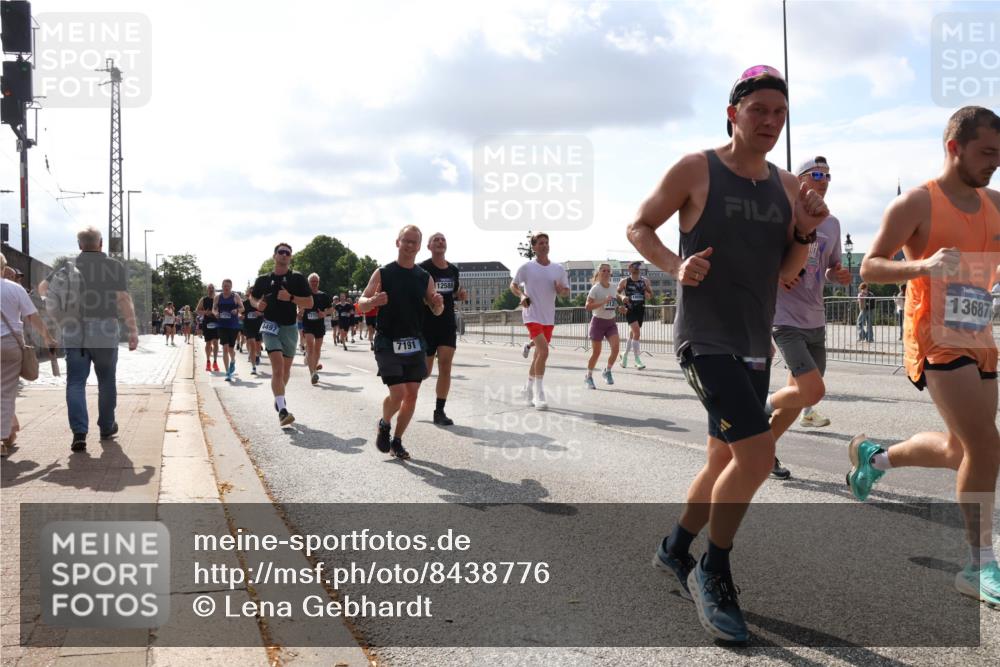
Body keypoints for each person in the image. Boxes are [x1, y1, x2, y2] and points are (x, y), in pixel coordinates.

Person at [628, 65, 828, 643]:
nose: (770, 121)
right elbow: (639, 226)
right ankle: (712, 572)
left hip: (752, 340)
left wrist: (806, 233)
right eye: (759, 109)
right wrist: (676, 266)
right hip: (704, 338)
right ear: (732, 113)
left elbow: (788, 274)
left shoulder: (789, 188)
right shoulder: (698, 168)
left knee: (723, 461)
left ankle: (675, 548)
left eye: (780, 114)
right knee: (758, 456)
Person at [847, 106, 1000, 607]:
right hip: (935, 338)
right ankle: (979, 564)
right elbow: (869, 268)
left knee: (962, 451)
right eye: (987, 152)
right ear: (954, 147)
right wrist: (925, 265)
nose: (995, 163)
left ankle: (878, 458)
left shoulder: (996, 203)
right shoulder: (917, 204)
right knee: (986, 445)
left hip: (979, 337)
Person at [764, 156, 852, 479]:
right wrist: (776, 274)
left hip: (815, 320)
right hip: (785, 318)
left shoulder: (831, 223)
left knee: (800, 397)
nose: (824, 180)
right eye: (817, 174)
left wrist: (837, 275)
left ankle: (763, 450)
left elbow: (828, 268)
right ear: (800, 180)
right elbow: (764, 257)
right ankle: (760, 410)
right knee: (812, 390)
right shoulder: (784, 216)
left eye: (828, 175)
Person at [40, 226, 141, 452]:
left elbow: (43, 288)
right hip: (105, 328)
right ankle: (106, 427)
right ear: (101, 243)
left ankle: (79, 433)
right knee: (106, 380)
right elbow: (123, 299)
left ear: (79, 245)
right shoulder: (113, 266)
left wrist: (60, 306)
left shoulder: (67, 267)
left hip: (74, 328)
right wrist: (132, 330)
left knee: (75, 382)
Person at [359, 225, 444, 460]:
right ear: (397, 242)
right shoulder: (383, 273)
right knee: (397, 392)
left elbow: (437, 310)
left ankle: (397, 441)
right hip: (387, 339)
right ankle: (384, 424)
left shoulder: (424, 277)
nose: (409, 245)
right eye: (405, 241)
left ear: (419, 246)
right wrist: (373, 300)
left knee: (412, 394)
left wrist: (438, 303)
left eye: (414, 242)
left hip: (415, 340)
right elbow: (362, 302)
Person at [249, 242, 313, 426]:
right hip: (270, 326)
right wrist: (257, 305)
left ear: (290, 257)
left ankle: (278, 397)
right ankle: (283, 411)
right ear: (274, 256)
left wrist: (291, 298)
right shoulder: (263, 279)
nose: (284, 255)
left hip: (290, 327)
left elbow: (309, 303)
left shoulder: (297, 278)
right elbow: (252, 298)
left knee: (285, 371)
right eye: (281, 252)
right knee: (277, 368)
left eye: (287, 253)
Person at [1, 253, 56, 457]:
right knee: (6, 392)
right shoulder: (15, 289)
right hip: (9, 343)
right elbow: (32, 316)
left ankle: (7, 431)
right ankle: (2, 438)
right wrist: (48, 337)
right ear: (4, 267)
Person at [510, 233, 570, 411]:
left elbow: (566, 292)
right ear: (534, 247)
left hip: (548, 317)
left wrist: (561, 290)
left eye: (546, 243)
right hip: (531, 314)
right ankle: (538, 395)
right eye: (541, 243)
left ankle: (527, 389)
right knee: (543, 351)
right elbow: (513, 284)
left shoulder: (558, 269)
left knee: (537, 356)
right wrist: (522, 295)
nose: (544, 245)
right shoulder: (527, 268)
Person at [420, 232, 468, 426]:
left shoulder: (453, 270)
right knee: (425, 371)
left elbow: (454, 293)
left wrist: (460, 295)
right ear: (429, 246)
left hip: (447, 323)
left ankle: (439, 411)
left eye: (443, 240)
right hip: (427, 324)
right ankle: (406, 393)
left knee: (446, 367)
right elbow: (418, 294)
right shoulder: (422, 269)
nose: (440, 242)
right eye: (436, 240)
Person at [584, 263, 622, 388]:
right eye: (603, 271)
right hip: (598, 322)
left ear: (610, 274)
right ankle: (588, 376)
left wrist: (620, 308)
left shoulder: (613, 287)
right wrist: (603, 302)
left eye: (608, 271)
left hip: (611, 323)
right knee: (596, 353)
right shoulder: (595, 288)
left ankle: (607, 371)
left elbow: (614, 303)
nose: (606, 273)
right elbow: (587, 306)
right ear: (599, 273)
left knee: (616, 349)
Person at [618, 260, 653, 369]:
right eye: (634, 266)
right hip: (630, 310)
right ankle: (637, 360)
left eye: (638, 266)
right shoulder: (625, 281)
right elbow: (617, 292)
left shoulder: (645, 281)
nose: (637, 267)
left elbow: (650, 294)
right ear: (629, 269)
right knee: (637, 332)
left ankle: (624, 355)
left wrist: (648, 295)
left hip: (640, 309)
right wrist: (623, 297)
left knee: (633, 334)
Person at [302, 273, 334, 385]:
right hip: (308, 324)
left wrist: (324, 313)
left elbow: (331, 309)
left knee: (317, 348)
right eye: (312, 281)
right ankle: (313, 373)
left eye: (316, 281)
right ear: (308, 283)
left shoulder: (323, 295)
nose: (314, 283)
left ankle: (313, 366)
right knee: (310, 345)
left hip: (319, 325)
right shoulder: (305, 295)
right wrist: (299, 312)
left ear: (318, 282)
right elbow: (299, 307)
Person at [213, 279, 244, 382]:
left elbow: (242, 308)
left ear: (231, 287)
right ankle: (227, 373)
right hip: (222, 325)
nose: (226, 288)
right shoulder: (218, 297)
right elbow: (214, 308)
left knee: (231, 349)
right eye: (225, 286)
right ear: (222, 286)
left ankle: (233, 361)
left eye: (228, 286)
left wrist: (237, 310)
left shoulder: (235, 296)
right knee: (225, 348)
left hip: (233, 326)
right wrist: (215, 313)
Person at [197, 284, 220, 371]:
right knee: (208, 343)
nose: (211, 290)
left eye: (212, 288)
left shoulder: (218, 299)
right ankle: (208, 362)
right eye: (209, 288)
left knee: (216, 343)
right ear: (207, 290)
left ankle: (215, 362)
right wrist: (204, 312)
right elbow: (197, 310)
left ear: (214, 289)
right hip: (207, 322)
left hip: (216, 322)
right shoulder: (204, 299)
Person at [241, 290, 262, 374]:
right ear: (248, 293)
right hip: (248, 326)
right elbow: (240, 312)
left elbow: (267, 313)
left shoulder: (260, 303)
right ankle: (253, 367)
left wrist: (260, 314)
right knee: (252, 344)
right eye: (251, 292)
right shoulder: (245, 303)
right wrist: (240, 316)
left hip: (258, 326)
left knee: (258, 346)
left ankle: (257, 355)